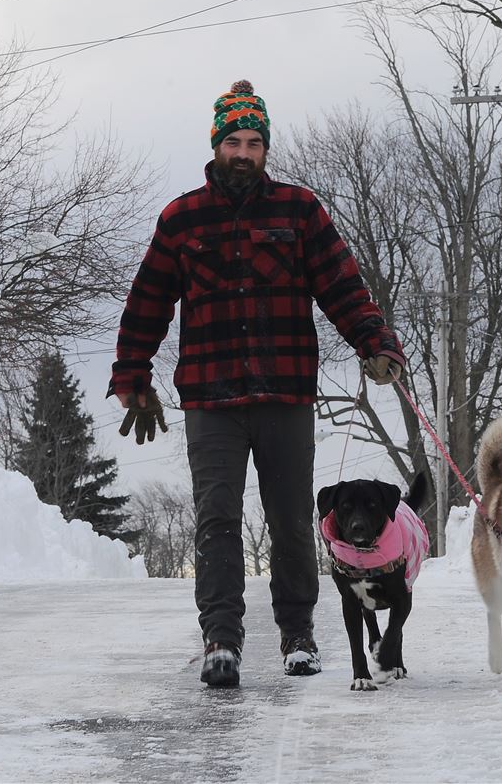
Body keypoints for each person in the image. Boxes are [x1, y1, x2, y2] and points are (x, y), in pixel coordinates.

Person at [108, 80, 406, 688]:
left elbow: (342, 285)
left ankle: (298, 633)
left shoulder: (300, 211)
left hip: (285, 393)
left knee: (292, 516)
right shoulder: (181, 219)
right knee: (215, 516)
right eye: (233, 142)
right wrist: (131, 374)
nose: (243, 153)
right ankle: (222, 637)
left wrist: (375, 342)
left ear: (266, 149)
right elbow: (147, 302)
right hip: (211, 397)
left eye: (253, 143)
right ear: (216, 145)